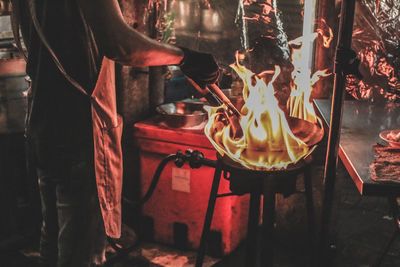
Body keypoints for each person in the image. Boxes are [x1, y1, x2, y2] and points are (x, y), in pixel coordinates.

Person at [11, 0, 219, 266]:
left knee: (53, 243)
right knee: (80, 252)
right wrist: (185, 57)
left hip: (44, 121)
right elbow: (121, 44)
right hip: (78, 130)